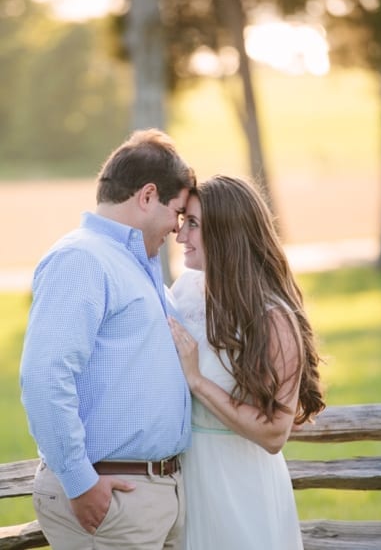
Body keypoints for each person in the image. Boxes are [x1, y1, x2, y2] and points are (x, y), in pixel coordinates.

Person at [19, 129, 196, 549]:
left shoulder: (134, 264)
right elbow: (45, 377)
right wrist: (81, 484)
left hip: (151, 497)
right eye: (177, 212)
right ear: (148, 196)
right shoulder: (83, 259)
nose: (177, 227)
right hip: (112, 499)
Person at [167, 175, 325, 549]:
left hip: (239, 484)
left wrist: (197, 381)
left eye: (192, 224)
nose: (180, 236)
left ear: (226, 233)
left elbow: (274, 434)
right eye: (182, 222)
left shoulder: (274, 319)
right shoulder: (184, 291)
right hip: (185, 480)